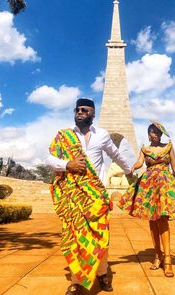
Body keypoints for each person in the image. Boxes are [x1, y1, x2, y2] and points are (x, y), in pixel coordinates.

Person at [46, 98, 132, 294]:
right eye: (77, 109)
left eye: (84, 110)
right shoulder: (63, 135)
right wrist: (68, 165)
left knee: (101, 236)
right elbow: (49, 158)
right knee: (76, 237)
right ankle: (77, 281)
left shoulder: (101, 135)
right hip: (73, 196)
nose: (80, 112)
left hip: (96, 196)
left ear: (93, 113)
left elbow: (115, 154)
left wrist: (129, 170)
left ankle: (102, 274)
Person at [118, 121, 175, 277]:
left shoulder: (168, 147)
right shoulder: (145, 149)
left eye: (159, 132)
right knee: (152, 221)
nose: (156, 134)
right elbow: (140, 162)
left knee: (163, 220)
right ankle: (157, 255)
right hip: (149, 185)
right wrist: (133, 167)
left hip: (165, 185)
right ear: (149, 133)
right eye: (153, 132)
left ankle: (167, 259)